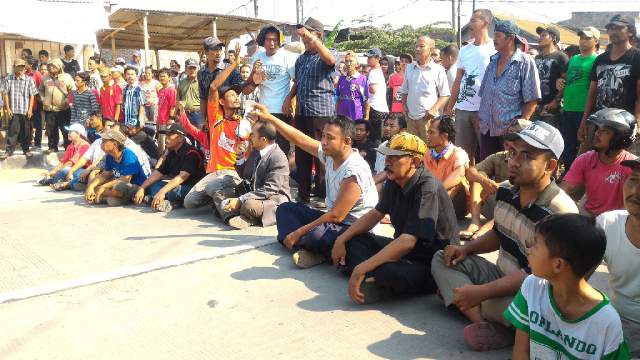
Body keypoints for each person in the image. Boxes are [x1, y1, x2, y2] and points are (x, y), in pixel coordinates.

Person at [431, 121, 578, 352]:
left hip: (534, 295)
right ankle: (485, 322)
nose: (514, 162)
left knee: (503, 305)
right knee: (442, 258)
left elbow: (536, 276)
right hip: (501, 275)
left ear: (550, 166)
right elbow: (499, 234)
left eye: (527, 156)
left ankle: (476, 308)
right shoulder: (506, 191)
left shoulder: (560, 212)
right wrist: (466, 249)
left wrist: (481, 292)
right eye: (512, 153)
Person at [335, 132, 457, 303]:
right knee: (353, 241)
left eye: (394, 158)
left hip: (429, 262)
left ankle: (374, 278)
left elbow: (408, 241)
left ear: (414, 162)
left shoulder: (427, 186)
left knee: (387, 271)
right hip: (403, 252)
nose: (387, 162)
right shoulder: (394, 179)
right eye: (387, 157)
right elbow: (376, 214)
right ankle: (373, 278)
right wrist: (342, 238)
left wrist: (362, 267)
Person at [254, 103, 378, 268]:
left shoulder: (354, 170)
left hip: (352, 229)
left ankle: (311, 247)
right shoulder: (331, 154)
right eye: (323, 136)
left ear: (347, 141)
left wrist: (299, 232)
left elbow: (336, 216)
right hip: (333, 222)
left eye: (330, 138)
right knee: (285, 209)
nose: (324, 142)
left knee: (317, 234)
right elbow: (299, 139)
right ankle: (312, 249)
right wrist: (270, 118)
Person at [506, 214, 630, 359]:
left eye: (536, 245)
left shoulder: (606, 322)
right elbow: (521, 351)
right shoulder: (532, 286)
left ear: (558, 264)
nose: (529, 249)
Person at [284, 17, 337, 204]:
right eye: (303, 36)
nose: (305, 39)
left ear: (318, 35)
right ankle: (304, 193)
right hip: (302, 111)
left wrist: (314, 40)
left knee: (322, 153)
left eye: (308, 34)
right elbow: (297, 82)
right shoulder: (301, 59)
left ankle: (323, 194)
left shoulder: (326, 55)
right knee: (302, 153)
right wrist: (288, 98)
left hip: (321, 112)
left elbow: (330, 60)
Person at [183, 74, 251, 211]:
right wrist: (234, 65)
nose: (236, 97)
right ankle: (220, 200)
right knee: (189, 202)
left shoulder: (243, 123)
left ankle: (229, 212)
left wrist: (244, 149)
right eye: (231, 95)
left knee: (212, 188)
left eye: (237, 95)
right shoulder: (216, 119)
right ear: (221, 101)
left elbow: (247, 148)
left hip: (232, 173)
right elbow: (214, 87)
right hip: (214, 173)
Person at [477, 20, 540, 161]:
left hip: (509, 131)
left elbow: (532, 99)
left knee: (508, 173)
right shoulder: (492, 61)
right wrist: (480, 118)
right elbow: (485, 94)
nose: (494, 40)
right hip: (487, 127)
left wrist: (520, 125)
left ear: (510, 38)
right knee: (487, 168)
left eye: (498, 36)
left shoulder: (525, 62)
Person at [578, 15, 640, 156]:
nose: (613, 31)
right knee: (587, 160)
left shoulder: (637, 57)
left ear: (630, 31)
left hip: (623, 126)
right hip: (598, 122)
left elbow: (639, 95)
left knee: (620, 166)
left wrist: (637, 122)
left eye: (618, 27)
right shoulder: (601, 59)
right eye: (610, 28)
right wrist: (584, 120)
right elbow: (592, 93)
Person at [597, 159, 640, 357]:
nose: (636, 190)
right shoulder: (608, 224)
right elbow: (576, 275)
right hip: (617, 322)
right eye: (633, 179)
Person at [460, 119, 530, 240]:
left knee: (511, 198)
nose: (508, 139)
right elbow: (470, 172)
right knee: (479, 175)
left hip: (518, 210)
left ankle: (487, 230)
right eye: (508, 133)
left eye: (514, 135)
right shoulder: (500, 156)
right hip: (495, 202)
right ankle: (475, 222)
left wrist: (497, 186)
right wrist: (484, 181)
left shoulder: (530, 161)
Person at [562, 108, 637, 217]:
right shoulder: (585, 159)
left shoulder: (632, 166)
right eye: (598, 129)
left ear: (620, 138)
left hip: (619, 221)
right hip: (589, 217)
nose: (597, 134)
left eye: (605, 131)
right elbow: (563, 190)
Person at [445, 9, 496, 165]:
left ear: (485, 23)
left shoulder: (495, 48)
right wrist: (450, 106)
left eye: (474, 20)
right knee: (462, 156)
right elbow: (458, 80)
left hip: (485, 110)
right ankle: (465, 188)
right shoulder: (465, 50)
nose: (470, 23)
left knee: (488, 157)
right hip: (463, 109)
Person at [218, 119, 291, 229]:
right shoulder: (257, 151)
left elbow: (270, 189)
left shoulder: (278, 157)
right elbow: (244, 175)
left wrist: (241, 199)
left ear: (263, 139)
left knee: (249, 205)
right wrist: (240, 158)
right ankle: (234, 215)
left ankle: (242, 214)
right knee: (220, 194)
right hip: (253, 193)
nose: (250, 136)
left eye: (253, 134)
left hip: (272, 199)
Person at [242, 25, 297, 156]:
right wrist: (254, 75)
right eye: (268, 40)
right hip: (264, 111)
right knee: (262, 148)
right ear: (263, 41)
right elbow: (247, 88)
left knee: (281, 150)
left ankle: (282, 176)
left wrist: (289, 100)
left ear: (279, 41)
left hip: (281, 112)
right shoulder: (258, 57)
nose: (272, 43)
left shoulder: (287, 57)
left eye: (274, 40)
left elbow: (297, 81)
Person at [130, 123, 205, 212]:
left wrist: (162, 191)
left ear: (180, 138)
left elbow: (182, 177)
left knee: (174, 191)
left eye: (170, 135)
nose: (166, 138)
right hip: (176, 185)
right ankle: (162, 200)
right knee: (152, 185)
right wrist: (142, 188)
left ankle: (168, 202)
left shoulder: (191, 153)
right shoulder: (171, 152)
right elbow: (159, 172)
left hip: (193, 188)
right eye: (166, 135)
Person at [556, 26, 599, 169]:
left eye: (588, 38)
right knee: (567, 147)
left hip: (584, 111)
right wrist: (559, 83)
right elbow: (567, 79)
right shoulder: (573, 58)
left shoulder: (597, 60)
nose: (583, 41)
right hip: (567, 108)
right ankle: (568, 174)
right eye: (581, 38)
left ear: (596, 41)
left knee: (583, 149)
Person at [400, 36, 450, 142]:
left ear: (431, 49)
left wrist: (434, 109)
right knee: (412, 150)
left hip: (428, 119)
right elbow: (404, 90)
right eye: (416, 46)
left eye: (421, 46)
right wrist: (404, 106)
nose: (417, 49)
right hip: (411, 118)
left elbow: (445, 94)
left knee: (429, 149)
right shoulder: (409, 68)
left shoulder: (438, 69)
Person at [85, 129, 149, 206]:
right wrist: (91, 186)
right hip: (117, 185)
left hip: (135, 186)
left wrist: (103, 187)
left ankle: (104, 196)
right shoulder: (109, 156)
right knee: (95, 182)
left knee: (119, 186)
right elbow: (105, 175)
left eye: (104, 142)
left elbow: (125, 179)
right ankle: (109, 198)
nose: (101, 144)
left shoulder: (128, 155)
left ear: (115, 144)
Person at [424, 116, 470, 220]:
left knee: (457, 186)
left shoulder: (458, 153)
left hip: (455, 203)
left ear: (444, 136)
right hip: (432, 198)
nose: (427, 135)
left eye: (431, 132)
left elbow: (459, 174)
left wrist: (434, 192)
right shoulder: (427, 155)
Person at [198, 36, 242, 124]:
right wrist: (203, 119)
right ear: (206, 52)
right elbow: (203, 98)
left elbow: (240, 90)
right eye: (214, 49)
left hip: (229, 119)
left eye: (220, 49)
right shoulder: (201, 72)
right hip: (212, 118)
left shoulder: (230, 70)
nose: (218, 53)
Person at [532, 26, 569, 128]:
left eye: (544, 35)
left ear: (553, 38)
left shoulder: (561, 57)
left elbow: (567, 81)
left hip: (550, 107)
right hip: (535, 105)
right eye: (540, 35)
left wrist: (556, 100)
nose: (540, 38)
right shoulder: (537, 57)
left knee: (546, 139)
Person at [0, 59, 37, 159]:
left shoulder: (29, 80)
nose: (20, 68)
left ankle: (26, 150)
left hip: (25, 110)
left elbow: (32, 95)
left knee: (26, 132)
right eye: (18, 66)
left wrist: (30, 109)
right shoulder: (8, 79)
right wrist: (8, 108)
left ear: (24, 67)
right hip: (14, 110)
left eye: (22, 66)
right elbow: (5, 94)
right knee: (12, 131)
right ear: (14, 67)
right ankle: (9, 151)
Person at [37, 123, 90, 191]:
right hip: (73, 169)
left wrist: (56, 172)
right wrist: (53, 171)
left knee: (65, 170)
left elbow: (71, 163)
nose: (68, 133)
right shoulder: (70, 146)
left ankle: (59, 182)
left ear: (78, 134)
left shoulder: (84, 145)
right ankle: (63, 182)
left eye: (71, 132)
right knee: (60, 170)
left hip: (83, 170)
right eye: (69, 132)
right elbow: (63, 162)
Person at [39, 58, 75, 153]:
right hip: (49, 110)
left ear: (59, 67)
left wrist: (68, 99)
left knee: (65, 130)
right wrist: (43, 99)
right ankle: (52, 147)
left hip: (63, 109)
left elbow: (73, 90)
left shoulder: (66, 77)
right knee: (51, 130)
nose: (51, 67)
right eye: (49, 66)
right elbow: (41, 90)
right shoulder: (45, 77)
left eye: (53, 66)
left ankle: (68, 148)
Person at [373, 114, 407, 192]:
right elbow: (377, 170)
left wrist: (370, 184)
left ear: (402, 130)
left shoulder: (404, 148)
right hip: (379, 185)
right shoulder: (382, 146)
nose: (387, 128)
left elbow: (389, 172)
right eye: (385, 125)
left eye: (392, 126)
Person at [335, 51, 369, 121]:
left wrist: (367, 116)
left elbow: (366, 100)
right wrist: (336, 113)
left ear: (356, 64)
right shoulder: (342, 78)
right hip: (342, 116)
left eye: (351, 61)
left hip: (356, 116)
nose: (348, 64)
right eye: (346, 61)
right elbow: (338, 97)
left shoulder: (362, 78)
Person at [365, 47, 389, 142]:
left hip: (375, 109)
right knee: (379, 139)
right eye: (368, 57)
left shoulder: (374, 72)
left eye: (371, 57)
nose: (368, 59)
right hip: (381, 109)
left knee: (375, 140)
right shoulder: (378, 71)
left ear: (377, 58)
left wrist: (363, 87)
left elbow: (373, 89)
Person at [25, 56, 43, 151]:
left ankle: (37, 144)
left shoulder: (37, 75)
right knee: (26, 124)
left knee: (38, 124)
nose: (24, 64)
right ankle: (27, 142)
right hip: (24, 104)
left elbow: (42, 89)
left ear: (31, 65)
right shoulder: (24, 74)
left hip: (36, 104)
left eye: (26, 63)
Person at [157, 68, 177, 154]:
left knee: (167, 144)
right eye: (160, 76)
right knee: (161, 144)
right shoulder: (160, 90)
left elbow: (173, 106)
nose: (162, 78)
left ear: (169, 77)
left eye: (164, 76)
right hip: (161, 121)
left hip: (167, 121)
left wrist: (171, 118)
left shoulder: (171, 90)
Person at [178, 58, 201, 128]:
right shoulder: (182, 82)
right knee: (186, 137)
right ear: (186, 69)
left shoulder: (202, 81)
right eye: (190, 68)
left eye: (194, 68)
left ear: (197, 69)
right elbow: (178, 97)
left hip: (198, 115)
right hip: (185, 114)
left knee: (199, 136)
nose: (192, 70)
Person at [139, 66, 161, 133]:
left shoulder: (156, 83)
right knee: (145, 123)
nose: (147, 74)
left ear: (152, 74)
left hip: (154, 106)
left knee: (154, 123)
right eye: (146, 73)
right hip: (144, 106)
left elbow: (161, 93)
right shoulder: (141, 83)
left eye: (149, 73)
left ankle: (154, 135)